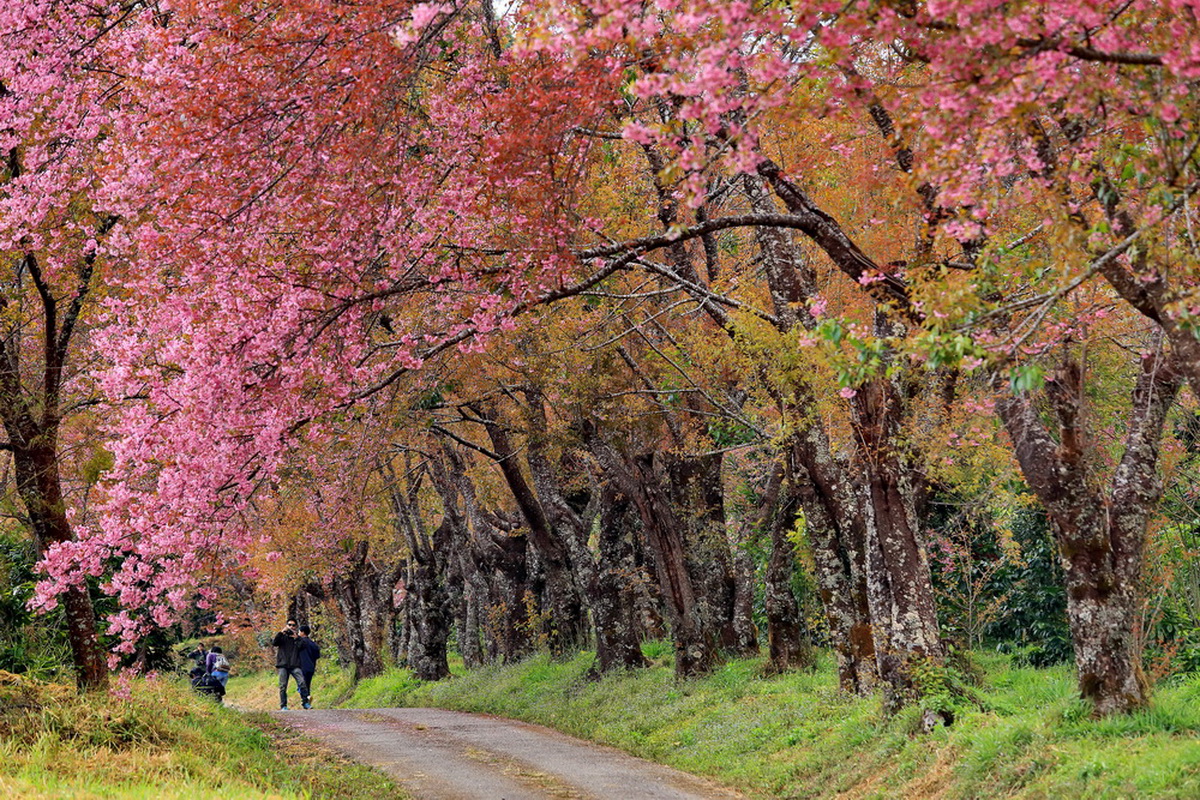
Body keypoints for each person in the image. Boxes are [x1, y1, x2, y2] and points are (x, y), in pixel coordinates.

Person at [272, 618, 311, 710]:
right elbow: (274, 643)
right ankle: (283, 705)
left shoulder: (298, 638)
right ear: (286, 625)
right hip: (283, 664)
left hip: (295, 664)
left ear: (296, 626)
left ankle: (305, 702)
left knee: (302, 682)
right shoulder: (282, 637)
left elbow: (302, 646)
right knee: (283, 686)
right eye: (289, 625)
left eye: (293, 625)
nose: (291, 627)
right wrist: (282, 632)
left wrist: (296, 638)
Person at [297, 625, 321, 706]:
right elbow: (317, 655)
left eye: (299, 631)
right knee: (307, 684)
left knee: (302, 684)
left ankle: (305, 700)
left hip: (302, 666)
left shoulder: (300, 642)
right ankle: (307, 698)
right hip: (311, 667)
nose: (298, 633)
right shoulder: (313, 643)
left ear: (303, 632)